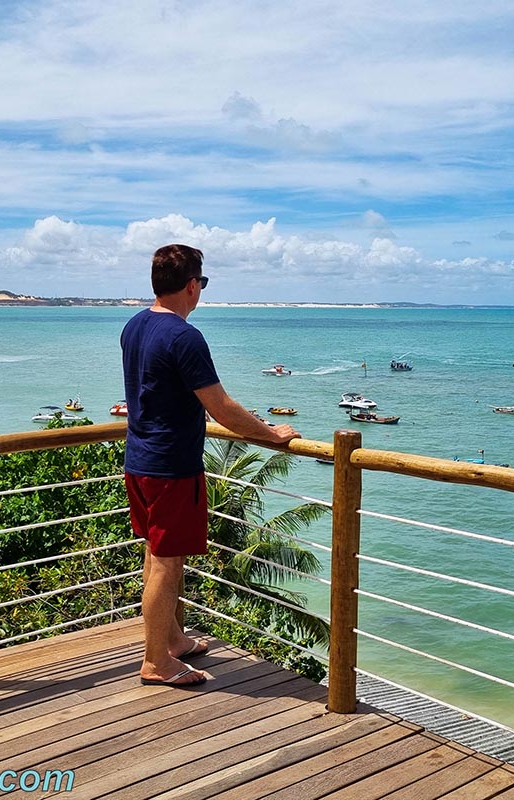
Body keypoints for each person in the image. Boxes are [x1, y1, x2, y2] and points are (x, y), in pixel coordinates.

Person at [121, 244, 300, 687]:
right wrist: (271, 434)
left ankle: (174, 640)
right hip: (170, 467)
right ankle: (156, 663)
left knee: (158, 553)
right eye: (202, 283)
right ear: (192, 284)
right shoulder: (184, 336)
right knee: (166, 562)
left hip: (140, 459)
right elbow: (220, 407)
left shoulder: (134, 326)